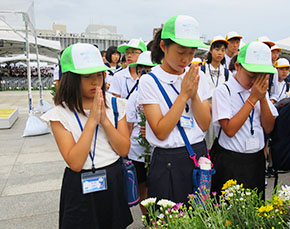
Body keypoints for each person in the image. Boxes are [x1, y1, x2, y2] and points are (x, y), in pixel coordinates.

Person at [41, 43, 133, 228]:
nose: (95, 82)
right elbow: (75, 162)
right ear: (71, 79)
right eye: (87, 77)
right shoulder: (60, 114)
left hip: (112, 178)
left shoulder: (115, 104)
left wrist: (105, 121)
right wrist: (91, 122)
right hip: (80, 185)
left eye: (99, 74)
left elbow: (123, 149)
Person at [137, 15, 211, 204]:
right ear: (163, 46)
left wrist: (194, 94)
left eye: (191, 52)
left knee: (199, 216)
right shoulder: (149, 81)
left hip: (197, 156)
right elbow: (160, 131)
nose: (186, 59)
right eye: (180, 52)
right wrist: (184, 94)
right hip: (167, 162)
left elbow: (204, 124)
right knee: (169, 219)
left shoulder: (197, 76)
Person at [211, 41, 279, 200]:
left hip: (255, 160)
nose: (255, 80)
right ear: (238, 66)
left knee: (254, 210)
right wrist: (253, 98)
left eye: (261, 75)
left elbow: (268, 127)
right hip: (230, 160)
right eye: (251, 75)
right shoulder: (224, 91)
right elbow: (229, 130)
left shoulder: (260, 91)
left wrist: (262, 99)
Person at [126, 51, 157, 215]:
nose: (145, 74)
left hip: (157, 152)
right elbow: (129, 125)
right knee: (142, 187)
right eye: (141, 71)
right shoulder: (134, 97)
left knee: (158, 186)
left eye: (149, 70)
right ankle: (148, 219)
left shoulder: (161, 95)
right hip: (137, 151)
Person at [201, 35, 229, 148]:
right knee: (206, 136)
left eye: (223, 50)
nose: (220, 53)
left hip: (221, 107)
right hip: (205, 106)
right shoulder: (203, 70)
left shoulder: (226, 72)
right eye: (217, 49)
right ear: (211, 50)